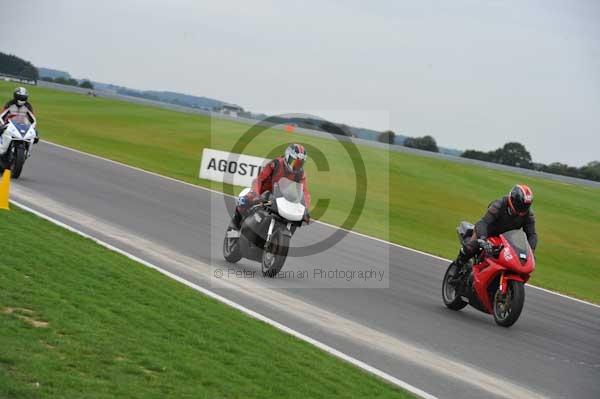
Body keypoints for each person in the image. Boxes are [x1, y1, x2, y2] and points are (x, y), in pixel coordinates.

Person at [456, 184, 538, 271]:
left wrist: (531, 251)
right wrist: (483, 239)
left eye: (526, 206)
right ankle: (457, 267)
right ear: (513, 200)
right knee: (471, 248)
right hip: (488, 233)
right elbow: (483, 223)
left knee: (520, 265)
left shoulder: (528, 215)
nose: (523, 208)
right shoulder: (499, 204)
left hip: (506, 241)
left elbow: (532, 234)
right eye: (520, 205)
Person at [230, 143, 311, 229]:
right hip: (265, 197)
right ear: (287, 157)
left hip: (282, 201)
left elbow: (305, 192)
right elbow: (259, 179)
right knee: (244, 201)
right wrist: (256, 194)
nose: (296, 166)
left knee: (296, 220)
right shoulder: (276, 163)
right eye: (294, 162)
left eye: (299, 164)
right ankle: (234, 229)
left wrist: (305, 208)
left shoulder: (300, 174)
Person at [0, 87, 37, 156]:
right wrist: (3, 124)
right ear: (15, 96)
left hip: (23, 125)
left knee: (36, 134)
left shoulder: (28, 106)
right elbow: (1, 115)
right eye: (20, 97)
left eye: (23, 97)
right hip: (9, 124)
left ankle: (28, 152)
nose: (22, 99)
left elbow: (33, 119)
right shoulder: (10, 104)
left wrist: (33, 127)